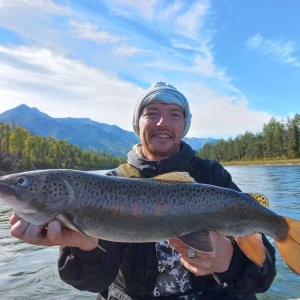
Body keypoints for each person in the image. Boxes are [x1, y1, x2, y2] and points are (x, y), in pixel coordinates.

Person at [9, 81, 276, 300]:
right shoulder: (103, 186)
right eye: (152, 113)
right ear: (137, 124)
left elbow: (264, 275)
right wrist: (83, 245)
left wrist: (228, 263)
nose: (163, 122)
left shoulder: (213, 176)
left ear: (185, 125)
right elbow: (91, 283)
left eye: (174, 114)